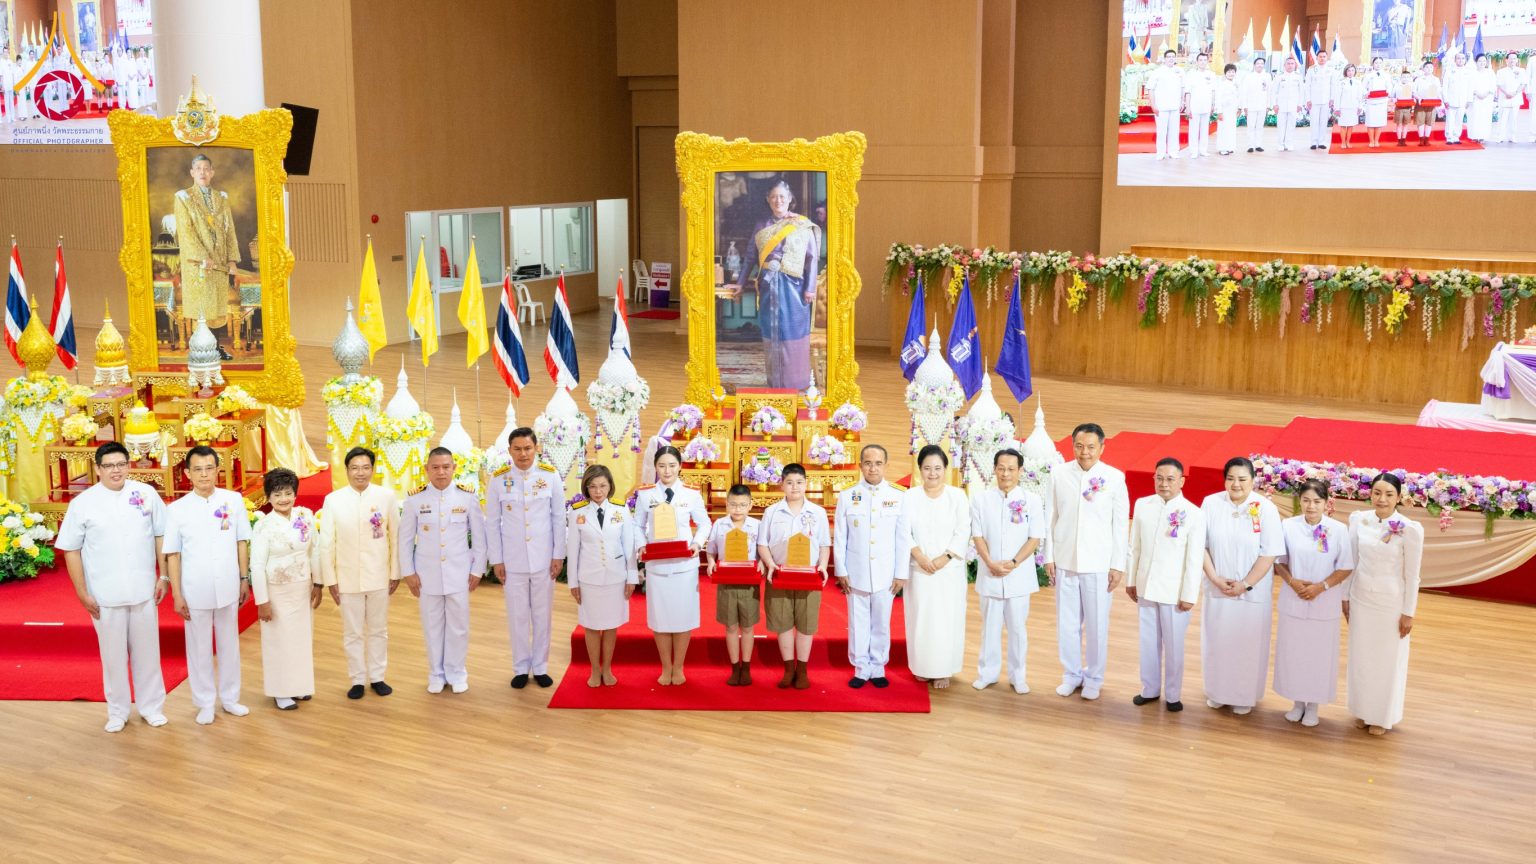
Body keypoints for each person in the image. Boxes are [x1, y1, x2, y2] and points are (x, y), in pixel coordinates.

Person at [56, 442, 169, 732]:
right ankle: (118, 711)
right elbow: (70, 549)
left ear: (129, 464)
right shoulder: (82, 504)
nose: (116, 470)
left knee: (148, 654)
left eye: (121, 464)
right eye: (109, 465)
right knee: (113, 658)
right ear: (97, 469)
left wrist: (164, 576)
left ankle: (151, 707)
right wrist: (82, 593)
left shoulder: (146, 494)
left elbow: (160, 536)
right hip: (104, 596)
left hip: (144, 589)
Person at [163, 446, 251, 725]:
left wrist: (244, 578)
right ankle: (204, 702)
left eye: (209, 468)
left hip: (227, 584)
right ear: (188, 473)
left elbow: (241, 542)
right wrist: (177, 593)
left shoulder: (233, 500)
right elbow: (173, 554)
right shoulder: (176, 510)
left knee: (229, 644)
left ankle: (230, 698)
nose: (204, 474)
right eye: (198, 469)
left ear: (217, 470)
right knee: (199, 647)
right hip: (194, 588)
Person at [1043, 423, 1128, 701]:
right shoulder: (1058, 474)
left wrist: (1117, 564)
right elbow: (1050, 518)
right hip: (1066, 560)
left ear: (1102, 448)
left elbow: (1120, 526)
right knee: (1067, 624)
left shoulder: (1114, 478)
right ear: (1072, 446)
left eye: (1091, 447)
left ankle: (1094, 677)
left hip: (1098, 564)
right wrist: (1049, 556)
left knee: (1096, 625)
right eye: (1079, 446)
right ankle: (1071, 674)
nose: (1085, 452)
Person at [1199, 456, 1283, 716]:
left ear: (1253, 480)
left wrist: (1245, 584)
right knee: (1218, 640)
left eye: (1242, 479)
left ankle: (1244, 694)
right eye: (1231, 478)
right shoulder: (1211, 503)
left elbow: (1269, 553)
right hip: (1218, 586)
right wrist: (1214, 578)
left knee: (1247, 643)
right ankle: (1217, 691)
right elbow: (1200, 545)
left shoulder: (1265, 508)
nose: (1236, 484)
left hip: (1252, 590)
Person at [400, 447, 487, 694]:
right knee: (432, 625)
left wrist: (478, 570)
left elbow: (479, 538)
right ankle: (436, 673)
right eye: (435, 467)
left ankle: (457, 672)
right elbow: (405, 539)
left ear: (454, 468)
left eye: (446, 467)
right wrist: (408, 572)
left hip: (459, 573)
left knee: (459, 626)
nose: (441, 472)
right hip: (426, 575)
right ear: (427, 469)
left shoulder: (467, 497)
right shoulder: (415, 499)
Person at [485, 427, 566, 689]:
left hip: (544, 559)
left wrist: (558, 555)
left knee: (542, 615)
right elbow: (492, 523)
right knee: (518, 615)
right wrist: (496, 559)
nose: (523, 454)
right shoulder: (498, 480)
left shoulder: (550, 477)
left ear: (536, 448)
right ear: (510, 451)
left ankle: (540, 666)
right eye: (517, 449)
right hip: (513, 560)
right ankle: (521, 666)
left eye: (528, 448)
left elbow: (558, 518)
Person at [319, 446, 401, 699]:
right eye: (354, 468)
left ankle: (377, 676)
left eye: (366, 467)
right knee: (352, 632)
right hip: (347, 578)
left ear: (373, 469)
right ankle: (357, 679)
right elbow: (326, 543)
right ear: (346, 470)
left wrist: (395, 572)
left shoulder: (386, 497)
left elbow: (395, 537)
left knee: (378, 629)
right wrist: (330, 580)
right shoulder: (333, 500)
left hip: (379, 575)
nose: (360, 473)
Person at [1125, 457, 1205, 713]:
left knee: (1173, 645)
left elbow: (1194, 558)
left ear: (1181, 481)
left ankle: (1173, 694)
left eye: (1170, 479)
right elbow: (1134, 547)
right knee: (1148, 641)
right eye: (1159, 478)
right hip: (1146, 586)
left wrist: (1189, 593)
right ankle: (1149, 689)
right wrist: (1131, 580)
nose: (1164, 483)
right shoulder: (1142, 505)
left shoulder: (1194, 513)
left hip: (1174, 590)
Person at [1345, 473, 1423, 736]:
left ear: (1398, 498)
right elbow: (1352, 561)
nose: (1382, 499)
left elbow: (1412, 576)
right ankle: (1363, 711)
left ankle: (1382, 716)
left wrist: (1408, 612)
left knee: (1387, 660)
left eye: (1389, 494)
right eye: (1377, 493)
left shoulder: (1409, 529)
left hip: (1390, 603)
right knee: (1362, 658)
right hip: (1361, 598)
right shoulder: (1358, 520)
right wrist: (1345, 598)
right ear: (1370, 494)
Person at [1273, 479, 1354, 728]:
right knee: (1295, 653)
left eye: (1317, 501)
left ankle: (1314, 706)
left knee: (1318, 656)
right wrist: (1293, 581)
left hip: (1323, 603)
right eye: (1306, 500)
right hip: (1294, 599)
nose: (1311, 506)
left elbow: (1346, 566)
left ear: (1326, 503)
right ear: (1300, 501)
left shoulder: (1338, 530)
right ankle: (1297, 703)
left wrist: (1322, 587)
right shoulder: (1288, 525)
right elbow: (1278, 561)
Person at [969, 449, 1045, 694]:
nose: (1006, 473)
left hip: (1018, 576)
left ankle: (1018, 675)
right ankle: (987, 673)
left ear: (1020, 471)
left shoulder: (1031, 501)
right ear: (994, 468)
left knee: (1017, 629)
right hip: (990, 573)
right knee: (989, 627)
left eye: (1011, 469)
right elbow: (977, 535)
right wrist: (990, 562)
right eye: (1001, 468)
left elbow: (1034, 538)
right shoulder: (981, 500)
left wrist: (1014, 562)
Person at [634, 445, 710, 686]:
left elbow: (704, 523)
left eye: (672, 465)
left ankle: (679, 667)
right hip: (657, 565)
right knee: (661, 618)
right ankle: (666, 667)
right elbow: (637, 526)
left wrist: (698, 543)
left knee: (683, 618)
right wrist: (641, 544)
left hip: (684, 565)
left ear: (680, 466)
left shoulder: (690, 493)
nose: (667, 471)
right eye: (661, 466)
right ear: (655, 467)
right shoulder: (646, 494)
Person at [833, 444, 907, 689]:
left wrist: (901, 573)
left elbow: (902, 537)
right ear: (860, 465)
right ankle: (861, 667)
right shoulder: (847, 495)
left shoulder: (898, 495)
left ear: (886, 465)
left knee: (882, 621)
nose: (872, 468)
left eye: (877, 463)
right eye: (867, 462)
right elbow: (841, 536)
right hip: (856, 571)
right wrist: (841, 569)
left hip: (886, 572)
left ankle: (878, 666)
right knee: (858, 621)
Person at [249, 468, 321, 711]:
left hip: (302, 587)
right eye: (277, 494)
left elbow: (316, 550)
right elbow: (256, 565)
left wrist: (318, 583)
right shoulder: (264, 526)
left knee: (301, 638)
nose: (283, 499)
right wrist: (262, 601)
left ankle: (299, 686)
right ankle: (280, 691)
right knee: (279, 640)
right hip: (276, 591)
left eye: (288, 493)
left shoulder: (306, 517)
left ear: (295, 494)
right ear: (268, 497)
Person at [900, 445, 970, 690]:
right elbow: (902, 531)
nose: (932, 473)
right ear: (919, 470)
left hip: (947, 571)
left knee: (946, 619)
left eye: (937, 468)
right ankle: (921, 667)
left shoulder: (957, 496)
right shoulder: (909, 497)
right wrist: (919, 555)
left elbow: (963, 530)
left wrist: (945, 557)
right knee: (920, 617)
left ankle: (943, 669)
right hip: (918, 569)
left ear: (945, 470)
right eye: (927, 468)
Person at [759, 463, 832, 691]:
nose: (795, 487)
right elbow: (762, 543)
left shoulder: (817, 513)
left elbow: (824, 544)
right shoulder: (772, 512)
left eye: (799, 482)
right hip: (779, 574)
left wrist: (822, 566)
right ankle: (788, 668)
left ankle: (802, 669)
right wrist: (770, 565)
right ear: (782, 485)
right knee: (782, 623)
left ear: (806, 484)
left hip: (808, 577)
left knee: (805, 624)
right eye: (789, 482)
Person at [567, 464, 638, 688]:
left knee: (610, 625)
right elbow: (572, 550)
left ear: (610, 486)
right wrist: (572, 582)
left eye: (603, 486)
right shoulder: (577, 512)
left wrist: (632, 577)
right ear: (586, 488)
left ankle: (607, 668)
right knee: (590, 624)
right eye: (593, 486)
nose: (598, 491)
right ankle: (594, 671)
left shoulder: (621, 509)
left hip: (616, 577)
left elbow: (629, 545)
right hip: (588, 577)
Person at [747, 180, 820, 389]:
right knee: (772, 333)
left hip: (794, 288)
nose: (778, 200)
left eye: (782, 197)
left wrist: (810, 288)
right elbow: (750, 256)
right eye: (774, 197)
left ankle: (796, 383)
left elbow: (812, 258)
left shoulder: (801, 224)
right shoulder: (761, 225)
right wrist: (741, 283)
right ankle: (775, 382)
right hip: (769, 285)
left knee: (793, 333)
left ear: (790, 199)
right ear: (768, 200)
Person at [171, 153, 239, 360]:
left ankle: (216, 348)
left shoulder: (222, 197)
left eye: (206, 168)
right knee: (202, 305)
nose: (202, 172)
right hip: (198, 265)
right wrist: (202, 257)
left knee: (217, 307)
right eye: (198, 168)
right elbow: (186, 231)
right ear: (192, 173)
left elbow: (229, 229)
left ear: (212, 173)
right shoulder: (183, 197)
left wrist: (232, 259)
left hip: (219, 262)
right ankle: (201, 349)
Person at [705, 484, 762, 686]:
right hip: (726, 582)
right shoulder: (719, 525)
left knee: (747, 626)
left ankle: (746, 667)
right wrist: (711, 562)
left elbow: (763, 551)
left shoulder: (757, 526)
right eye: (733, 505)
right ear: (727, 504)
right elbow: (710, 550)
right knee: (730, 626)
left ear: (750, 505)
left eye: (742, 505)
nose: (737, 509)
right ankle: (734, 667)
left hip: (749, 583)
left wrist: (763, 563)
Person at [1146, 50, 1185, 160]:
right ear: (1164, 59)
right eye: (1169, 57)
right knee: (1161, 131)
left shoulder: (1180, 71)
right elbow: (1150, 89)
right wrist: (1153, 105)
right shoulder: (1158, 72)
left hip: (1175, 106)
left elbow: (1183, 87)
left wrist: (1182, 101)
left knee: (1174, 131)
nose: (1171, 58)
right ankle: (1160, 153)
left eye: (1173, 56)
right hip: (1161, 107)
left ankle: (1173, 152)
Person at [1183, 52, 1216, 158]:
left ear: (1207, 61)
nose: (1202, 62)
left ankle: (1203, 150)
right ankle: (1193, 151)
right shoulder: (1191, 74)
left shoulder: (1211, 75)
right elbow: (1187, 92)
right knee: (1193, 130)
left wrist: (1212, 105)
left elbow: (1213, 91)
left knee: (1204, 129)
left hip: (1206, 106)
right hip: (1194, 106)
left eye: (1204, 60)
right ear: (1197, 62)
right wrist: (1188, 107)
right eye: (1200, 60)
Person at [1304, 49, 1338, 150]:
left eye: (1324, 57)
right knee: (1314, 122)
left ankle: (1322, 142)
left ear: (1327, 58)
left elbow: (1333, 85)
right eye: (1320, 57)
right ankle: (1313, 142)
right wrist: (1308, 99)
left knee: (1323, 122)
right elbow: (1307, 86)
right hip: (1314, 100)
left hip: (1326, 100)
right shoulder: (1311, 69)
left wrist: (1332, 99)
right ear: (1317, 58)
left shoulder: (1331, 70)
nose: (1322, 58)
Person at [1239, 56, 1272, 153]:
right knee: (1251, 126)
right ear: (1254, 65)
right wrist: (1244, 106)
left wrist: (1268, 105)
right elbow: (1244, 92)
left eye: (1262, 63)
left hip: (1262, 105)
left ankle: (1258, 145)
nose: (1260, 65)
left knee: (1260, 126)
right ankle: (1250, 145)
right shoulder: (1249, 76)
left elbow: (1269, 91)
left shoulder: (1267, 76)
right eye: (1258, 63)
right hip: (1251, 106)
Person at [1272, 55, 1305, 152]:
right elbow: (1274, 92)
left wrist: (1300, 104)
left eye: (1292, 64)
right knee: (1281, 125)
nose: (1290, 66)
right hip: (1281, 105)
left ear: (1295, 65)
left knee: (1291, 125)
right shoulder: (1279, 76)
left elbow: (1302, 92)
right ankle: (1280, 144)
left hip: (1293, 105)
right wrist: (1274, 104)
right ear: (1284, 65)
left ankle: (1289, 143)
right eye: (1288, 64)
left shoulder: (1298, 77)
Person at [1494, 53, 1525, 144]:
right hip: (1504, 97)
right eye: (1510, 59)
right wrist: (1506, 93)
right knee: (1502, 118)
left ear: (1517, 60)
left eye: (1514, 59)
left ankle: (1512, 137)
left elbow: (1523, 83)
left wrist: (1515, 93)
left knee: (1514, 119)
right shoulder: (1501, 71)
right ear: (1506, 60)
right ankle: (1500, 137)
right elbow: (1499, 84)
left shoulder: (1521, 70)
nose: (1512, 61)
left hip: (1516, 98)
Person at [1443, 51, 1472, 145]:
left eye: (1463, 58)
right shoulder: (1449, 71)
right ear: (1455, 60)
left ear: (1465, 60)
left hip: (1463, 100)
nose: (1461, 60)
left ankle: (1456, 137)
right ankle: (1449, 137)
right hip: (1451, 100)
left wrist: (1469, 100)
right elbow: (1445, 87)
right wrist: (1445, 99)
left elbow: (1470, 87)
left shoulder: (1468, 72)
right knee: (1450, 120)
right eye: (1458, 58)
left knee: (1459, 120)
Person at [1363, 56, 1392, 148]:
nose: (1378, 64)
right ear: (1373, 64)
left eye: (1380, 63)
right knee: (1371, 122)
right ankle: (1371, 141)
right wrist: (1366, 93)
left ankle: (1376, 141)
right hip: (1371, 101)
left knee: (1379, 122)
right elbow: (1363, 87)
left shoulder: (1386, 75)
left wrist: (1388, 92)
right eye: (1376, 63)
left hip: (1382, 101)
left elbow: (1390, 86)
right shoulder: (1368, 75)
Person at [1411, 61, 1441, 148]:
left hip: (1432, 103)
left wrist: (1439, 100)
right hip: (1421, 103)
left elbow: (1439, 91)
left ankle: (1427, 139)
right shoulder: (1418, 79)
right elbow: (1414, 91)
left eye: (1431, 67)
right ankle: (1421, 139)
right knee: (1420, 122)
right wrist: (1418, 98)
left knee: (1429, 122)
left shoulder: (1436, 79)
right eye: (1427, 67)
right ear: (1423, 69)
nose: (1429, 69)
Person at [1469, 53, 1496, 142]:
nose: (1482, 63)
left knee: (1485, 117)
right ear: (1476, 62)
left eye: (1484, 61)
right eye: (1480, 61)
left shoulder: (1490, 72)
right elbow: (1469, 85)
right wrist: (1476, 93)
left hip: (1487, 98)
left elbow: (1493, 85)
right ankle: (1474, 136)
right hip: (1475, 98)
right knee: (1475, 116)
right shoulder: (1472, 73)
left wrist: (1486, 93)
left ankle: (1483, 136)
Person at [1214, 63, 1239, 155]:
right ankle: (1222, 148)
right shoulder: (1222, 84)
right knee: (1223, 129)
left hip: (1232, 110)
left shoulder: (1235, 84)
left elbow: (1237, 97)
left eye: (1233, 72)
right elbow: (1218, 98)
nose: (1231, 73)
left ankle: (1229, 147)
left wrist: (1238, 108)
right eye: (1229, 72)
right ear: (1225, 73)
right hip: (1224, 110)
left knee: (1231, 129)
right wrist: (1219, 112)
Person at [1336, 63, 1363, 149]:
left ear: (1355, 71)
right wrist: (1337, 108)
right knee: (1343, 125)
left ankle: (1348, 142)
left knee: (1351, 125)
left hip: (1353, 107)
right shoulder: (1341, 82)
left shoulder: (1358, 82)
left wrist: (1360, 107)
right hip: (1343, 107)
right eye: (1348, 70)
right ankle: (1343, 143)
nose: (1350, 72)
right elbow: (1337, 96)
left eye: (1352, 70)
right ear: (1345, 72)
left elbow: (1360, 96)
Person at [1391, 68, 1415, 145]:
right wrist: (1395, 100)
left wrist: (1414, 100)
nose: (1406, 78)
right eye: (1404, 77)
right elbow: (1392, 95)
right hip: (1399, 108)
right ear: (1401, 77)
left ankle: (1403, 139)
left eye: (1408, 77)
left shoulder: (1411, 86)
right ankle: (1399, 140)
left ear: (1410, 78)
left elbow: (1414, 95)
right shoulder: (1397, 86)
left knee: (1405, 124)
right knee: (1399, 124)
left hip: (1408, 108)